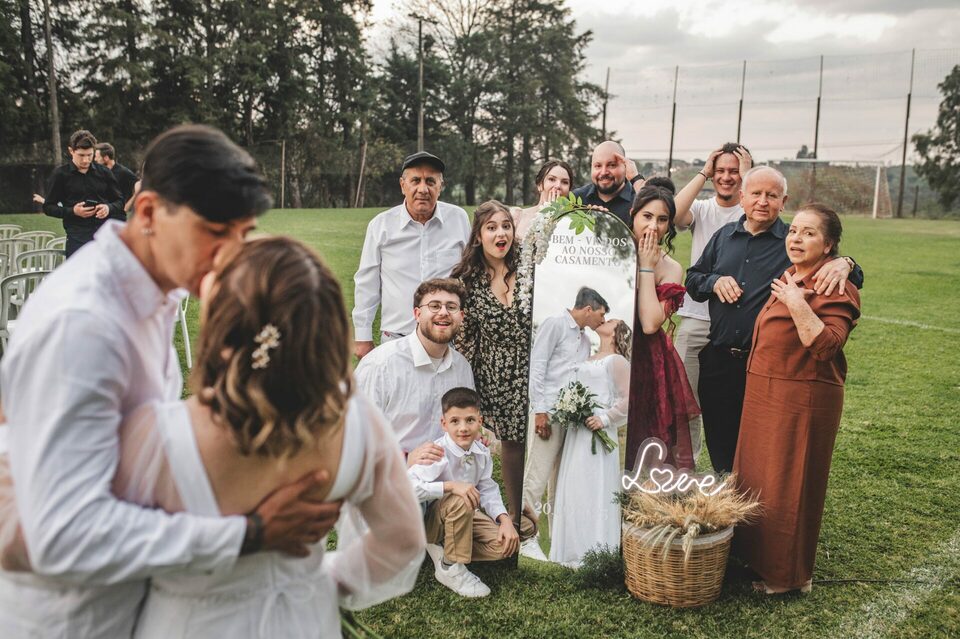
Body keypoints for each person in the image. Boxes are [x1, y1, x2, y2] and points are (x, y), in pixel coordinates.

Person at [0, 125, 341, 637]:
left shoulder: (155, 293)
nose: (232, 256)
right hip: (74, 618)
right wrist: (248, 533)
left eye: (242, 235)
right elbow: (62, 535)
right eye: (214, 232)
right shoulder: (85, 326)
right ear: (149, 212)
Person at [685, 166, 864, 473]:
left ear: (784, 201)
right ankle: (726, 501)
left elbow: (846, 273)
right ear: (742, 198)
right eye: (756, 194)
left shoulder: (793, 241)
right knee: (721, 444)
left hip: (765, 365)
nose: (763, 201)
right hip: (719, 358)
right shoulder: (723, 237)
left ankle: (757, 507)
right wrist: (713, 281)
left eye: (772, 195)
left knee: (760, 448)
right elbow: (693, 278)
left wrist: (846, 263)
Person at [733, 204, 860, 595]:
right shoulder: (791, 273)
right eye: (794, 231)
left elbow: (825, 346)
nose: (796, 238)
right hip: (766, 391)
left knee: (790, 483)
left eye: (808, 233)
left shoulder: (838, 286)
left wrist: (797, 301)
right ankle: (758, 559)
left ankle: (788, 577)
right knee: (759, 478)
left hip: (801, 395)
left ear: (829, 245)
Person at [410, 387, 536, 598]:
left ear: (480, 420)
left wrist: (504, 519)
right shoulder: (436, 452)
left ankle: (446, 547)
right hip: (432, 522)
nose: (463, 428)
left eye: (469, 420)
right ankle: (450, 565)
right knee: (461, 498)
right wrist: (450, 486)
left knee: (517, 532)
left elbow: (487, 488)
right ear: (444, 424)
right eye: (455, 421)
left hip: (466, 515)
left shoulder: (481, 452)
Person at [451, 200, 531, 527]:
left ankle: (550, 511)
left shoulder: (531, 264)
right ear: (478, 236)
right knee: (512, 443)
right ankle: (514, 514)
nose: (501, 233)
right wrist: (463, 388)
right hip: (497, 372)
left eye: (506, 226)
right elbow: (465, 339)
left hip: (536, 364)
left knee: (545, 441)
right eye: (492, 227)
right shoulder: (467, 281)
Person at [672, 143, 752, 462]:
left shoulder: (751, 210)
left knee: (730, 408)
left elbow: (763, 209)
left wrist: (748, 174)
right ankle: (685, 476)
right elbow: (676, 214)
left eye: (734, 171)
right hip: (696, 320)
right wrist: (704, 171)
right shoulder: (703, 209)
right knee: (684, 403)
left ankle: (729, 475)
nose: (727, 177)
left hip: (736, 326)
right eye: (721, 171)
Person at [353, 152, 470, 359]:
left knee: (447, 392)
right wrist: (363, 337)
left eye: (430, 181)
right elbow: (367, 283)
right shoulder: (381, 226)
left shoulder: (458, 219)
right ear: (402, 185)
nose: (423, 189)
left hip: (447, 338)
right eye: (415, 180)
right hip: (397, 338)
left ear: (440, 187)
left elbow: (471, 275)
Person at [520, 287, 607, 561]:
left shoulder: (583, 341)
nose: (602, 321)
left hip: (570, 418)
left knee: (560, 481)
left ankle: (558, 538)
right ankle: (525, 537)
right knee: (536, 475)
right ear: (589, 308)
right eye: (601, 314)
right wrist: (540, 411)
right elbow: (537, 366)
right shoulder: (555, 324)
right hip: (548, 414)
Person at [355, 278, 475, 464]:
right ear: (417, 314)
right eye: (434, 306)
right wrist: (406, 459)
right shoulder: (381, 365)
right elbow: (354, 437)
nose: (443, 312)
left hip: (443, 480)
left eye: (451, 307)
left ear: (461, 316)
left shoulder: (462, 368)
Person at [625, 185, 698, 471]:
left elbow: (650, 323)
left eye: (662, 219)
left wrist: (645, 268)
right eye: (646, 216)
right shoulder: (612, 251)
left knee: (645, 435)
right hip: (613, 350)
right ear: (632, 215)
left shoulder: (671, 268)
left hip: (648, 359)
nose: (653, 226)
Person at [550, 319, 631, 568]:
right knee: (575, 488)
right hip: (577, 432)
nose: (605, 319)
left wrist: (605, 419)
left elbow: (628, 398)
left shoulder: (617, 361)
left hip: (598, 433)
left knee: (595, 489)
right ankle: (571, 551)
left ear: (619, 332)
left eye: (612, 320)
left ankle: (595, 552)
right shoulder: (590, 357)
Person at [42, 129, 125, 256]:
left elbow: (120, 201)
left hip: (104, 238)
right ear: (71, 151)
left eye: (89, 155)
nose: (86, 160)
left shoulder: (105, 172)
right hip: (77, 240)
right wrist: (73, 211)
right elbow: (48, 207)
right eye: (81, 155)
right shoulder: (60, 175)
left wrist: (108, 208)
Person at [572, 140, 645, 227]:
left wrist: (636, 179)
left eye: (612, 165)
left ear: (625, 166)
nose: (603, 172)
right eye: (598, 166)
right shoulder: (575, 199)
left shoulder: (639, 201)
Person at [511, 160, 574, 240]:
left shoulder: (572, 222)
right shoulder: (517, 216)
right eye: (551, 179)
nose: (558, 186)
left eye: (565, 182)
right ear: (540, 185)